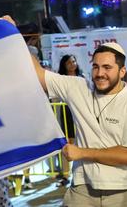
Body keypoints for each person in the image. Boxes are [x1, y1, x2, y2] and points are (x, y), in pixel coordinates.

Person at [16, 22, 127, 207]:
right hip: (82, 188)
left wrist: (81, 153)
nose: (99, 73)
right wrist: (14, 36)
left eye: (107, 67)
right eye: (95, 67)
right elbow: (39, 74)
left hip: (125, 189)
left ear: (122, 71)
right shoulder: (78, 87)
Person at [54, 54, 84, 187]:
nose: (72, 64)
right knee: (66, 145)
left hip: (79, 115)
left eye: (74, 61)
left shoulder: (82, 79)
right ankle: (65, 175)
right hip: (65, 114)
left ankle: (79, 175)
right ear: (64, 65)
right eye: (69, 63)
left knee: (79, 145)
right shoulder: (61, 79)